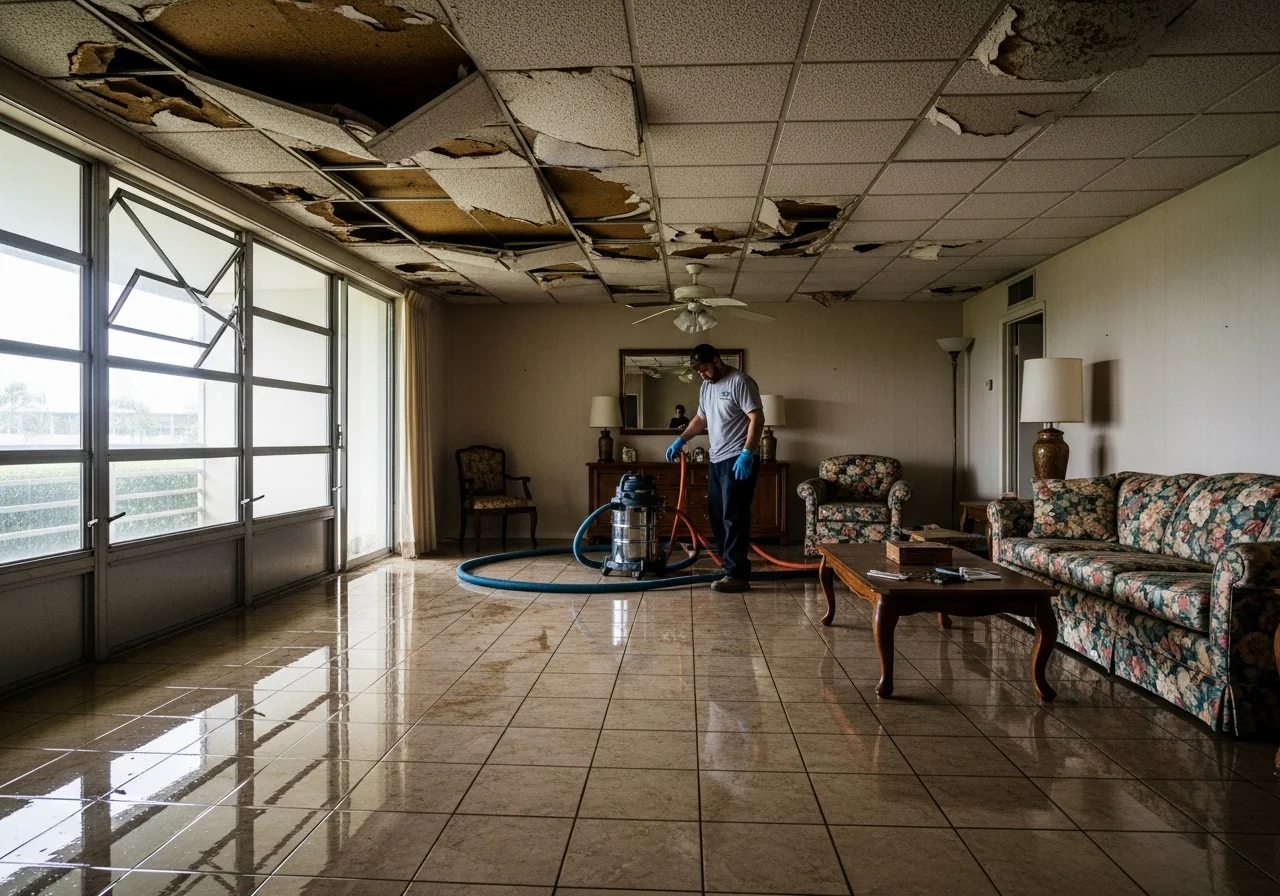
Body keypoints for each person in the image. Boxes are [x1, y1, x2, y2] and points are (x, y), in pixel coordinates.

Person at [666, 344, 764, 592]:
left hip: (737, 458)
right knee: (719, 515)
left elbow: (757, 417)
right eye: (698, 372)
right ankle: (728, 567)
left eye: (705, 369)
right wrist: (681, 439)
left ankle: (737, 575)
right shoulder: (706, 386)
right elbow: (701, 418)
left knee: (734, 516)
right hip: (717, 459)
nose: (702, 375)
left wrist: (747, 453)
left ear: (717, 361)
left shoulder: (740, 381)